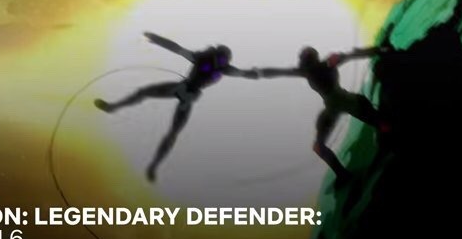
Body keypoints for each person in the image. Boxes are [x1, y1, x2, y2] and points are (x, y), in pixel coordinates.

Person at [95, 32, 259, 182]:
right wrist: (156, 39)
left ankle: (154, 165)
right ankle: (112, 107)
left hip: (188, 96)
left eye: (223, 61)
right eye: (219, 58)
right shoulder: (201, 58)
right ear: (215, 55)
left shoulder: (225, 69)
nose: (220, 62)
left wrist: (254, 74)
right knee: (143, 92)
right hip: (181, 88)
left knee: (173, 133)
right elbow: (176, 48)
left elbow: (243, 73)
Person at [258, 46, 390, 184]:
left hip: (343, 104)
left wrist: (256, 73)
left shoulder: (315, 67)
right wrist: (379, 50)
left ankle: (345, 174)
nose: (303, 62)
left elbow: (278, 72)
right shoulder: (319, 66)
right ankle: (344, 174)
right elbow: (278, 71)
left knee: (382, 124)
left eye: (305, 58)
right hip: (343, 104)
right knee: (320, 146)